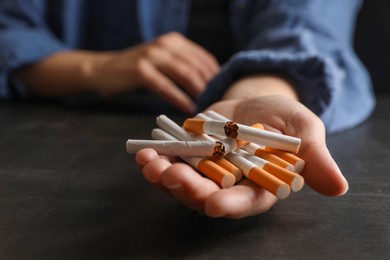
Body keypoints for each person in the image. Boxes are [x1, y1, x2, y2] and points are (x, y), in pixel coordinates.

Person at [0, 0, 375, 218]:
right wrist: (94, 67)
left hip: (225, 108)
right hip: (68, 123)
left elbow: (309, 17)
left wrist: (265, 86)